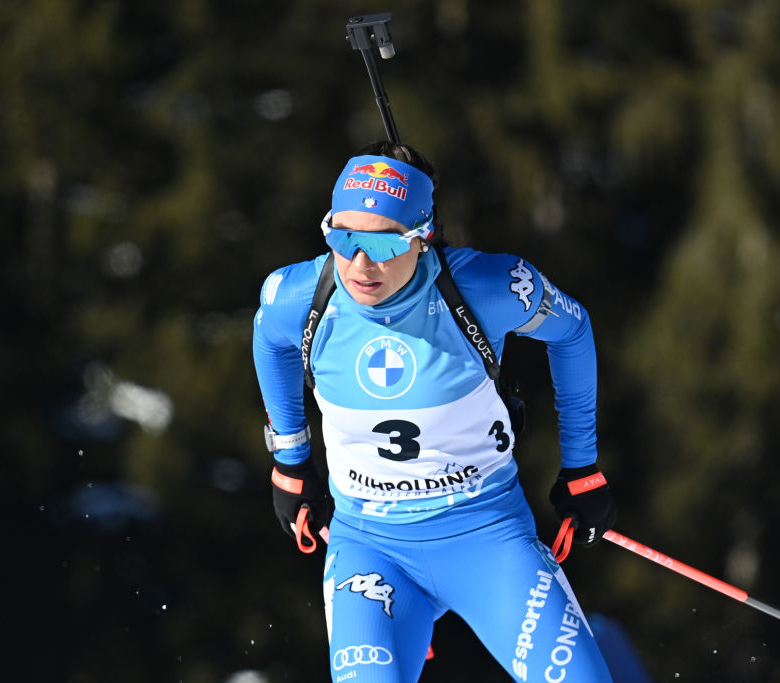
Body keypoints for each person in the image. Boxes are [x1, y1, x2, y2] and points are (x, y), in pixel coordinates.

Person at [252, 140, 617, 682]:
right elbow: (269, 337)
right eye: (342, 237)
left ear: (422, 238)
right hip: (371, 551)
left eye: (382, 244)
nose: (359, 263)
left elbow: (573, 330)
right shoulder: (297, 296)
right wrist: (291, 459)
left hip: (490, 539)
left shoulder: (490, 288)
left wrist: (582, 467)